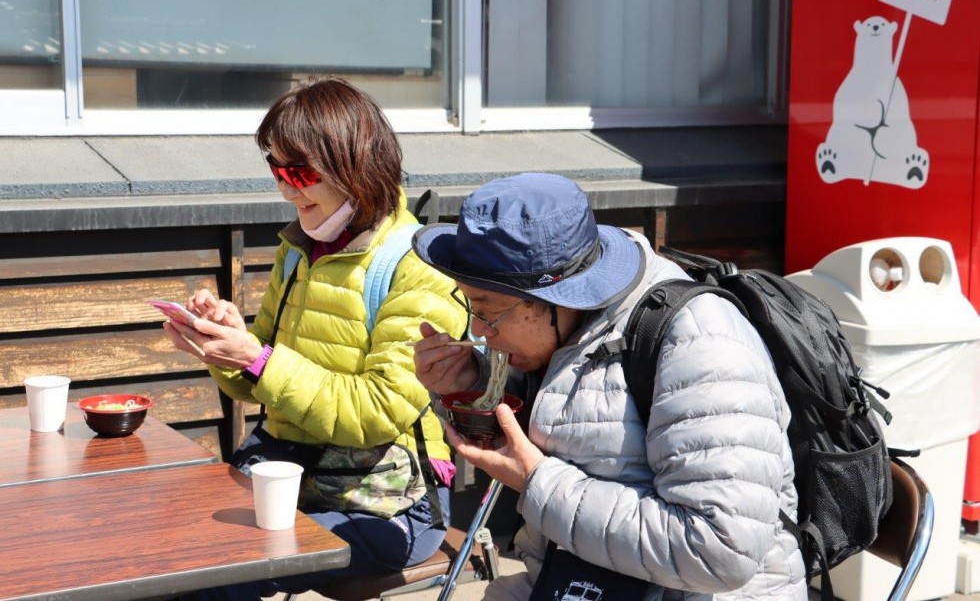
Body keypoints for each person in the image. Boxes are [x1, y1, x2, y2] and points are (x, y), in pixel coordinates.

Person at [411, 173, 808, 600]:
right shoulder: (568, 331)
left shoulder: (703, 347)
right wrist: (471, 383)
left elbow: (717, 551)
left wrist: (537, 481)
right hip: (577, 576)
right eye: (469, 303)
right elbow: (577, 410)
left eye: (488, 310)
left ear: (557, 298)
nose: (477, 330)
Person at [161, 76, 467, 599]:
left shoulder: (419, 268)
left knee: (219, 573)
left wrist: (258, 360)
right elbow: (255, 384)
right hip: (293, 477)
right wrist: (226, 344)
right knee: (167, 540)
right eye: (276, 169)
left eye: (298, 171)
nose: (285, 187)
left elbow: (377, 411)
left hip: (386, 504)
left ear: (356, 167)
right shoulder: (302, 247)